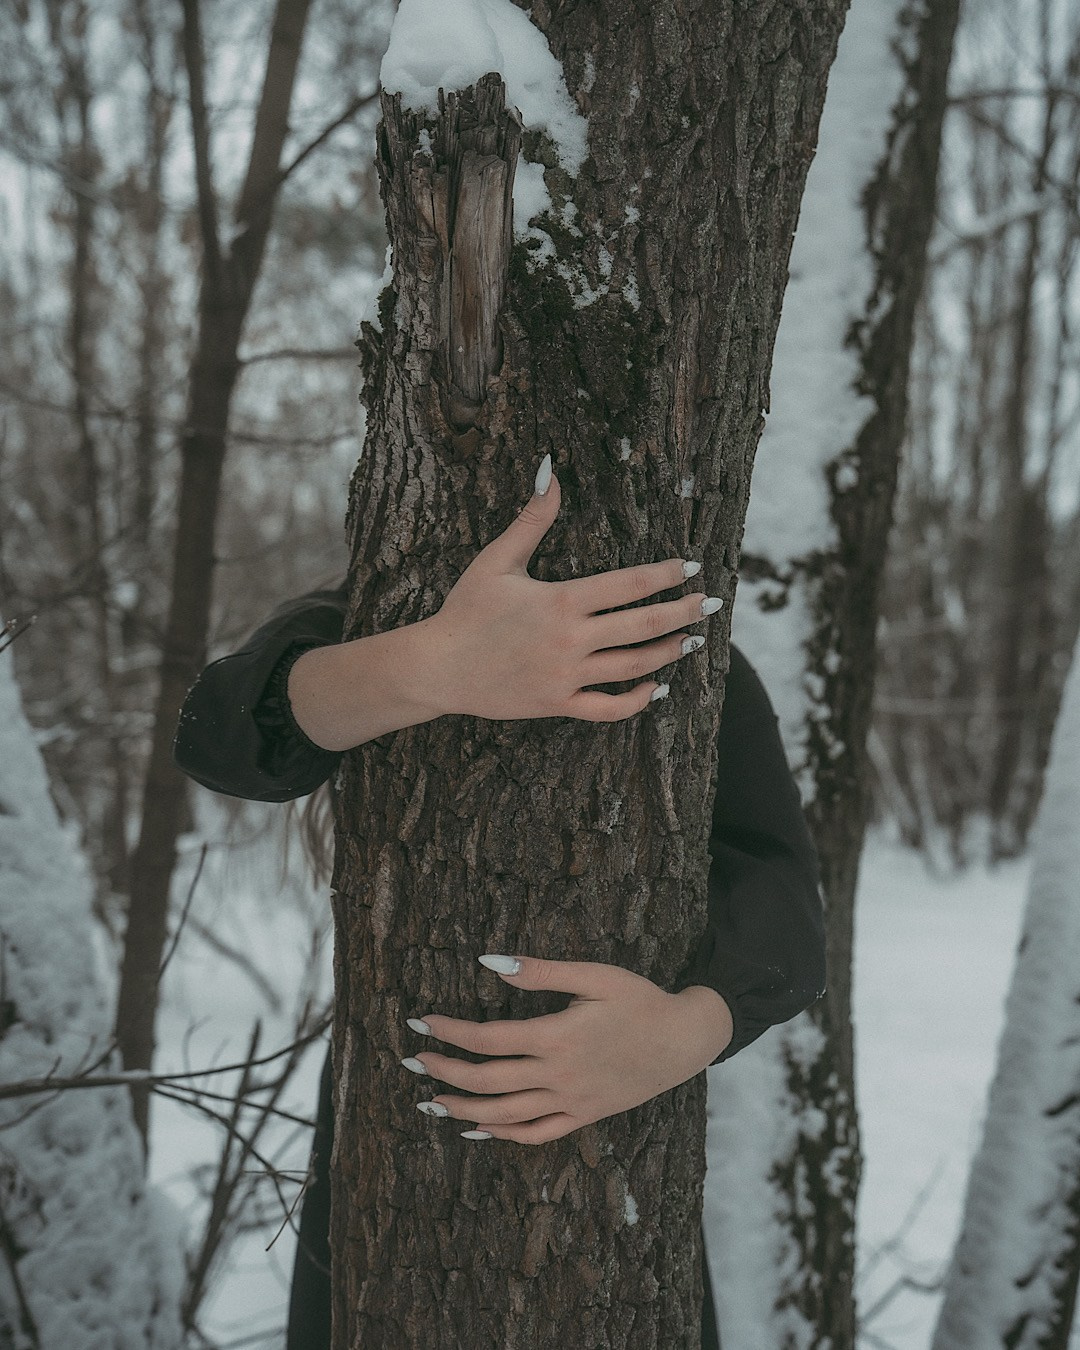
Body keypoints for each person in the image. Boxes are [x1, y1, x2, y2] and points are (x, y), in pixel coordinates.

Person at [172, 453, 826, 1349]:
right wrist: (431, 665)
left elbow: (784, 890)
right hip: (390, 1130)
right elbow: (221, 736)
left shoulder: (677, 644)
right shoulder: (363, 618)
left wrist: (689, 1030)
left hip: (622, 1149)